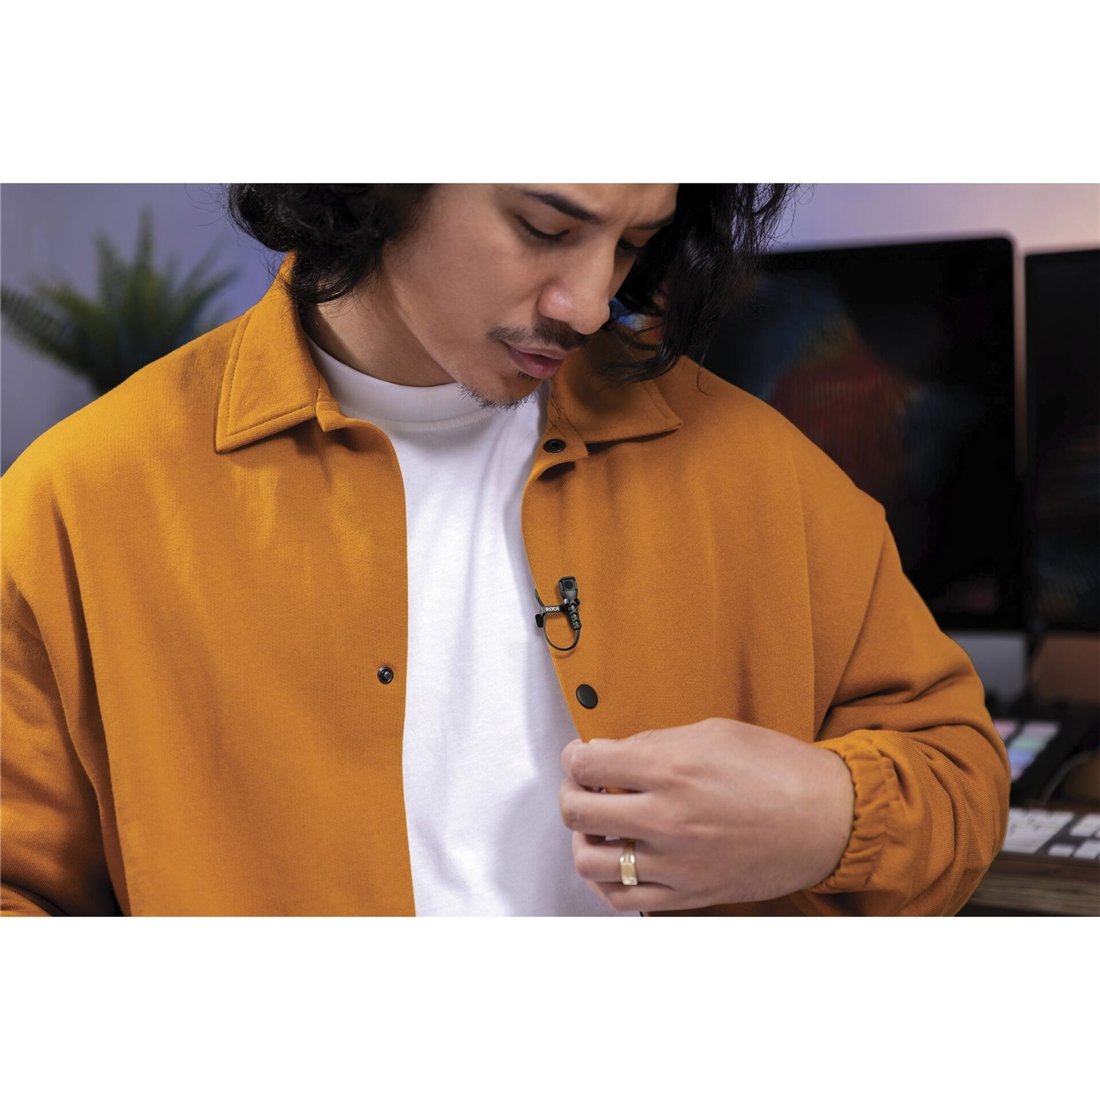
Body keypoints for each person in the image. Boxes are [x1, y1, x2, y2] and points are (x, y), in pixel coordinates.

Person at [0, 184, 1010, 916]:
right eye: (544, 228)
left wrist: (829, 819)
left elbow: (959, 773)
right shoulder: (80, 501)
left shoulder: (758, 467)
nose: (587, 303)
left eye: (632, 244)